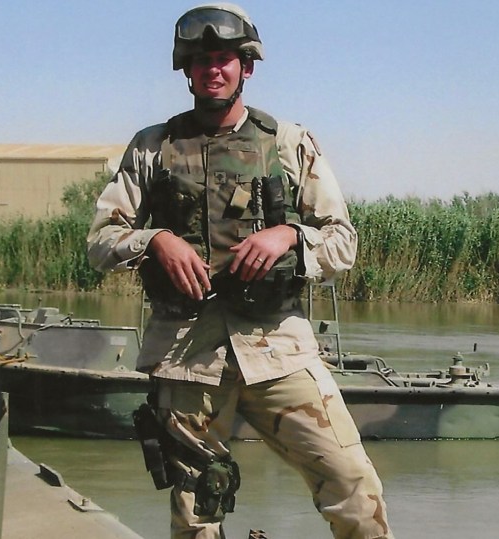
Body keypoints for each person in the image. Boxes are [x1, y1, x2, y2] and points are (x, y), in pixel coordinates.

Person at [86, 4, 392, 538]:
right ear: (186, 68)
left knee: (353, 486)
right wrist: (155, 239)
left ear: (245, 67)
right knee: (197, 514)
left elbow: (343, 243)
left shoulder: (290, 142)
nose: (214, 69)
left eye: (225, 58)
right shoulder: (152, 147)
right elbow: (100, 241)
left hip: (278, 349)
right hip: (186, 357)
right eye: (202, 59)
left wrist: (291, 235)